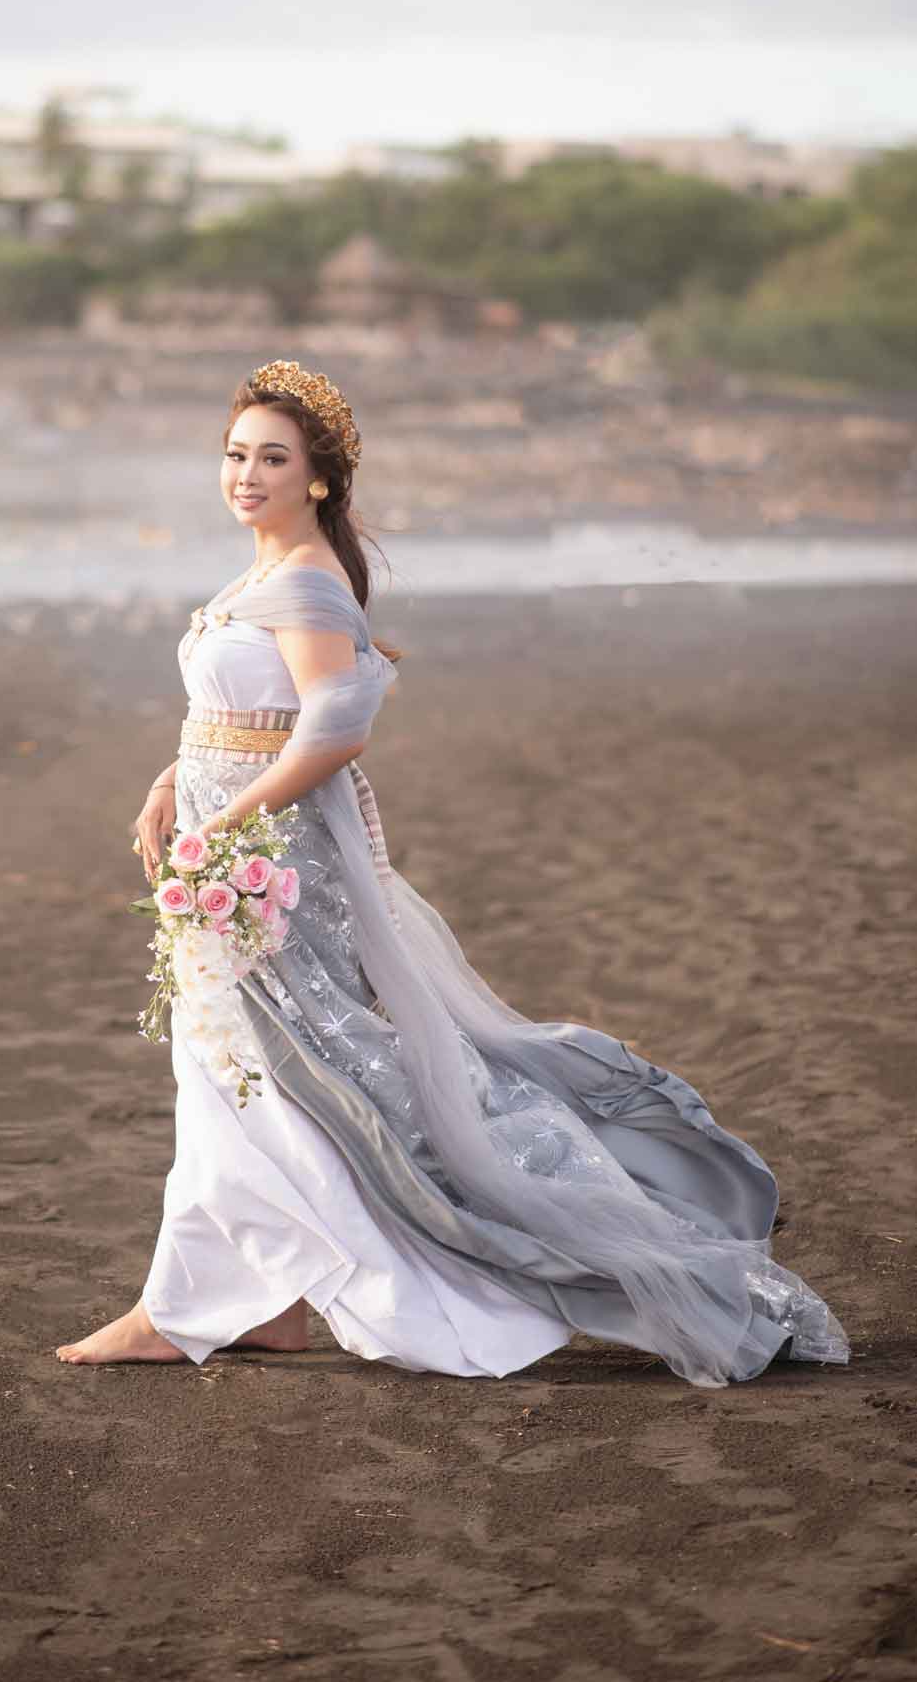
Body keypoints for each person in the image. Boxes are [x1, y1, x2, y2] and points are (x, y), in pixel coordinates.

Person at [55, 361, 850, 1385]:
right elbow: (243, 714)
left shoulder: (305, 580)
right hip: (232, 848)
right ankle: (267, 1306)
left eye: (273, 459)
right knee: (237, 1076)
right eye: (236, 454)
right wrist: (172, 781)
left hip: (268, 864)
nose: (246, 475)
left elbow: (335, 730)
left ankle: (181, 1309)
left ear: (319, 479)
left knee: (258, 1073)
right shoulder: (264, 574)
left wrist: (226, 826)